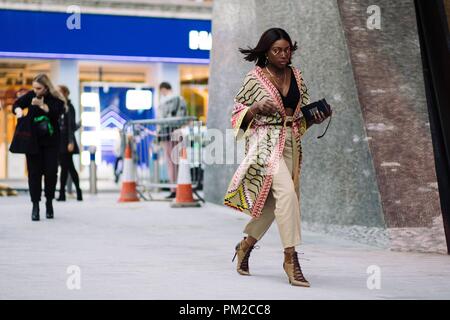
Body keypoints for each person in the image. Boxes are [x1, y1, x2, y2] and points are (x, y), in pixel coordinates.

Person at [224, 28, 331, 287]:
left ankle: (245, 246)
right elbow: (236, 116)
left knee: (274, 205)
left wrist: (315, 118)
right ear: (266, 52)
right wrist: (255, 108)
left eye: (287, 49)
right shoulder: (254, 78)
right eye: (277, 50)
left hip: (291, 143)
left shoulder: (297, 76)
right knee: (287, 195)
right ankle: (290, 259)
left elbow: (299, 116)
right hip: (264, 144)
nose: (283, 54)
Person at [9, 73, 65, 221]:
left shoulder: (55, 99)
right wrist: (19, 111)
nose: (35, 91)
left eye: (39, 88)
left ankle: (49, 202)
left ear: (46, 87)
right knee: (34, 174)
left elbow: (58, 112)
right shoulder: (30, 95)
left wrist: (43, 106)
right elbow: (16, 104)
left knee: (51, 173)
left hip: (51, 143)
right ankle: (35, 205)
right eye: (34, 88)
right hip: (33, 143)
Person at [157, 82, 187, 199]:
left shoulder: (167, 101)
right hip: (174, 132)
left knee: (172, 162)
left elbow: (161, 119)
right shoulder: (179, 99)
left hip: (168, 133)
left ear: (163, 89)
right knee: (176, 162)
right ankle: (177, 187)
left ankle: (175, 188)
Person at [56, 85, 82, 201]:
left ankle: (63, 194)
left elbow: (70, 127)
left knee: (66, 169)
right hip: (59, 142)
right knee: (68, 168)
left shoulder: (69, 107)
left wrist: (71, 141)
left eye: (60, 92)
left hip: (67, 142)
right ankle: (76, 192)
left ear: (66, 93)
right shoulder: (58, 106)